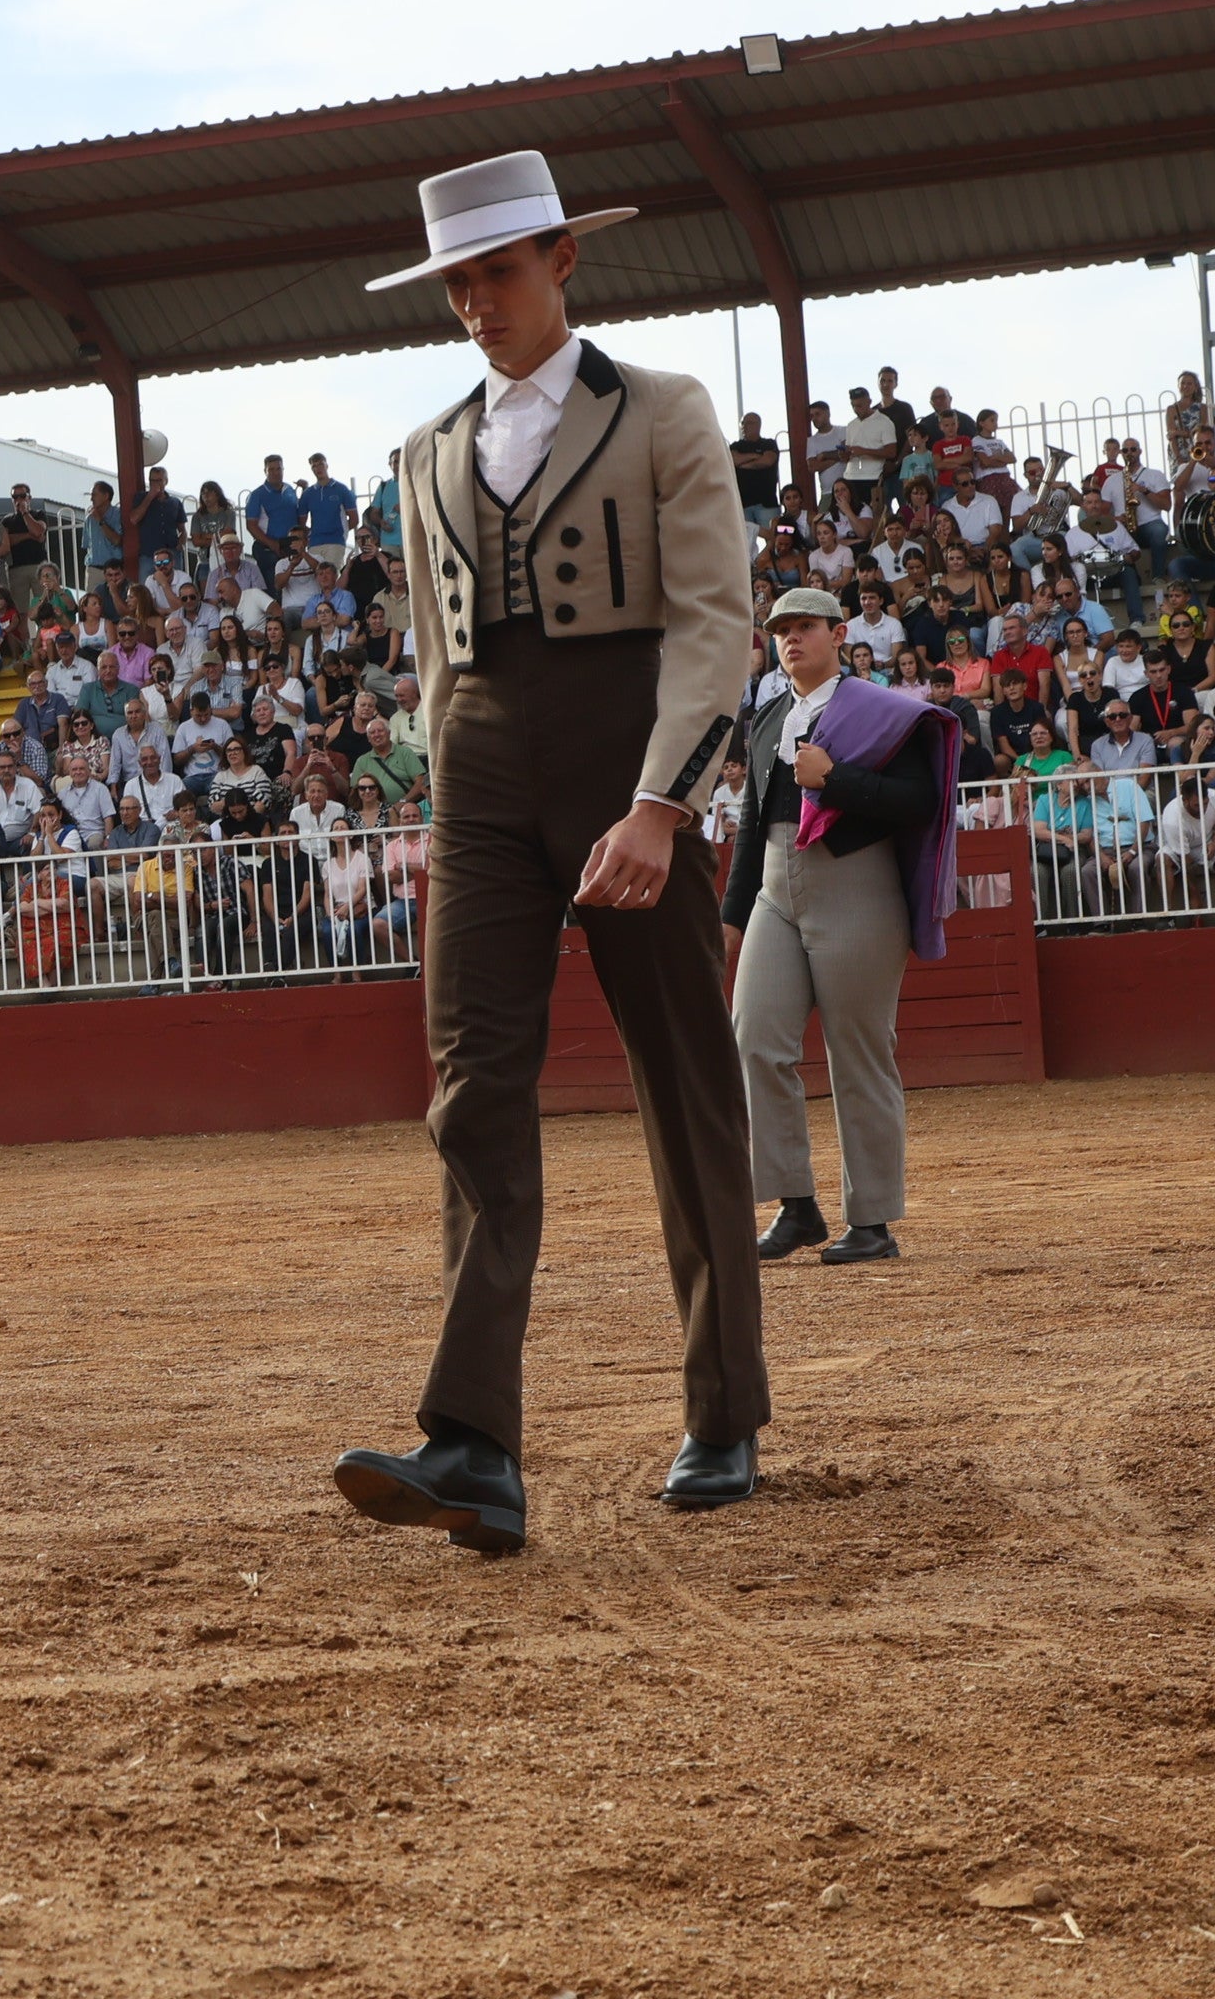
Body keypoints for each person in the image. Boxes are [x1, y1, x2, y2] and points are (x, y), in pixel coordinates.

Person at [326, 149, 764, 1556]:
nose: (475, 303)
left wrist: (658, 807)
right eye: (456, 281)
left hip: (623, 757)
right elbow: (439, 664)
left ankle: (722, 1407)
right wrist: (449, 811)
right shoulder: (425, 452)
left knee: (686, 1080)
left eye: (498, 273)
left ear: (563, 263)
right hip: (483, 783)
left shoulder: (663, 411)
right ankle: (474, 1444)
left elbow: (714, 625)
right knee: (472, 1094)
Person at [722, 589, 959, 1269]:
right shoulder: (767, 717)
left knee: (858, 1053)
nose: (792, 639)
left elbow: (921, 801)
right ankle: (795, 1204)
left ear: (839, 632)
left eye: (806, 627)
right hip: (775, 881)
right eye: (781, 631)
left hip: (855, 880)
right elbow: (751, 823)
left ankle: (873, 1219)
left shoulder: (881, 711)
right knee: (756, 1037)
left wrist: (839, 781)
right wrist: (731, 919)